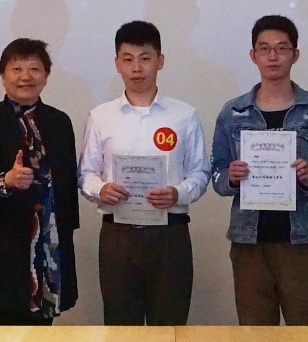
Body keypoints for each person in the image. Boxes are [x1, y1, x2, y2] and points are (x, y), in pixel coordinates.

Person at [210, 14, 308, 325]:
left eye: (282, 48)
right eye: (264, 48)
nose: (273, 56)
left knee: (306, 331)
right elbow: (216, 173)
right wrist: (231, 177)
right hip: (249, 242)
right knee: (254, 332)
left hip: (301, 241)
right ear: (253, 55)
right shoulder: (233, 112)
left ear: (295, 54)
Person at [78, 20, 210, 325]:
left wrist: (178, 193)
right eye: (128, 59)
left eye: (145, 58)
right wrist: (101, 189)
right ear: (117, 63)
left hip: (170, 234)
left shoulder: (184, 114)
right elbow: (86, 173)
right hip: (118, 235)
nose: (137, 68)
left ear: (160, 61)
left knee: (170, 325)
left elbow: (200, 172)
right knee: (121, 326)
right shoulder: (101, 116)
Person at [0, 38, 79, 324]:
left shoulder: (60, 122)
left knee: (41, 333)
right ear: (3, 76)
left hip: (48, 248)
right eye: (17, 69)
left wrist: (66, 234)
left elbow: (67, 185)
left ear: (46, 76)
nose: (26, 76)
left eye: (35, 69)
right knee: (0, 331)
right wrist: (7, 180)